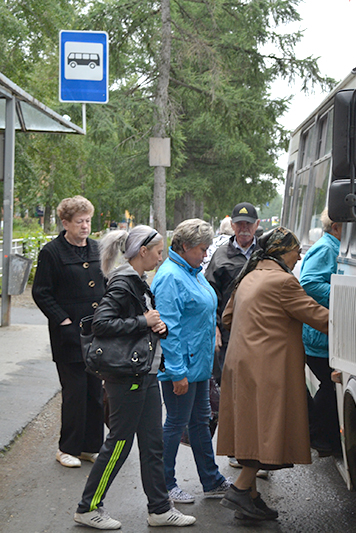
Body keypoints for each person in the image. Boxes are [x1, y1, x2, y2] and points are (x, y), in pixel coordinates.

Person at [73, 226, 196, 529]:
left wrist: (155, 326)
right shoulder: (124, 282)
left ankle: (159, 509)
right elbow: (102, 323)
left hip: (144, 374)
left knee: (152, 444)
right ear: (143, 251)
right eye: (157, 251)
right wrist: (144, 320)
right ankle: (88, 507)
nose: (160, 256)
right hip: (128, 376)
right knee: (119, 444)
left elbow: (135, 324)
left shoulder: (137, 281)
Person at [216, 228, 329, 521]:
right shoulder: (282, 282)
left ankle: (251, 499)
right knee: (266, 429)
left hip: (239, 364)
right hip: (267, 367)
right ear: (281, 251)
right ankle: (240, 489)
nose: (300, 256)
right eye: (296, 250)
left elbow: (227, 318)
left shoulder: (249, 276)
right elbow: (319, 318)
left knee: (248, 427)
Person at [151, 218, 231, 504]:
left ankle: (211, 479)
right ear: (184, 246)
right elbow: (168, 329)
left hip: (197, 365)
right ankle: (164, 483)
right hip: (182, 367)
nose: (205, 254)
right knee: (175, 423)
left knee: (199, 421)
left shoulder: (191, 270)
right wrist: (176, 372)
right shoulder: (172, 277)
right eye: (201, 248)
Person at [32, 195, 106, 468]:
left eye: (88, 220)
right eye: (79, 221)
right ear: (65, 223)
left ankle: (90, 446)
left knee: (95, 393)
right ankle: (67, 448)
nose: (85, 226)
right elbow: (41, 292)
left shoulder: (97, 248)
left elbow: (106, 282)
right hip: (69, 334)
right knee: (75, 393)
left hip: (97, 332)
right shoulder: (52, 252)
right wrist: (62, 320)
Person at [299, 210, 343, 456]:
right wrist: (342, 295)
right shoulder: (327, 248)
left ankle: (321, 436)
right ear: (336, 227)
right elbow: (309, 283)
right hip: (320, 336)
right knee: (330, 384)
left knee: (330, 384)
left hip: (325, 334)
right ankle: (318, 436)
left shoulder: (332, 245)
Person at [205, 202, 260, 386]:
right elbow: (210, 296)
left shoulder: (266, 253)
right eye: (239, 224)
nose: (244, 229)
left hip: (261, 331)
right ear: (232, 226)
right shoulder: (220, 256)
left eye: (249, 224)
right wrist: (215, 327)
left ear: (257, 225)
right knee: (230, 383)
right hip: (230, 331)